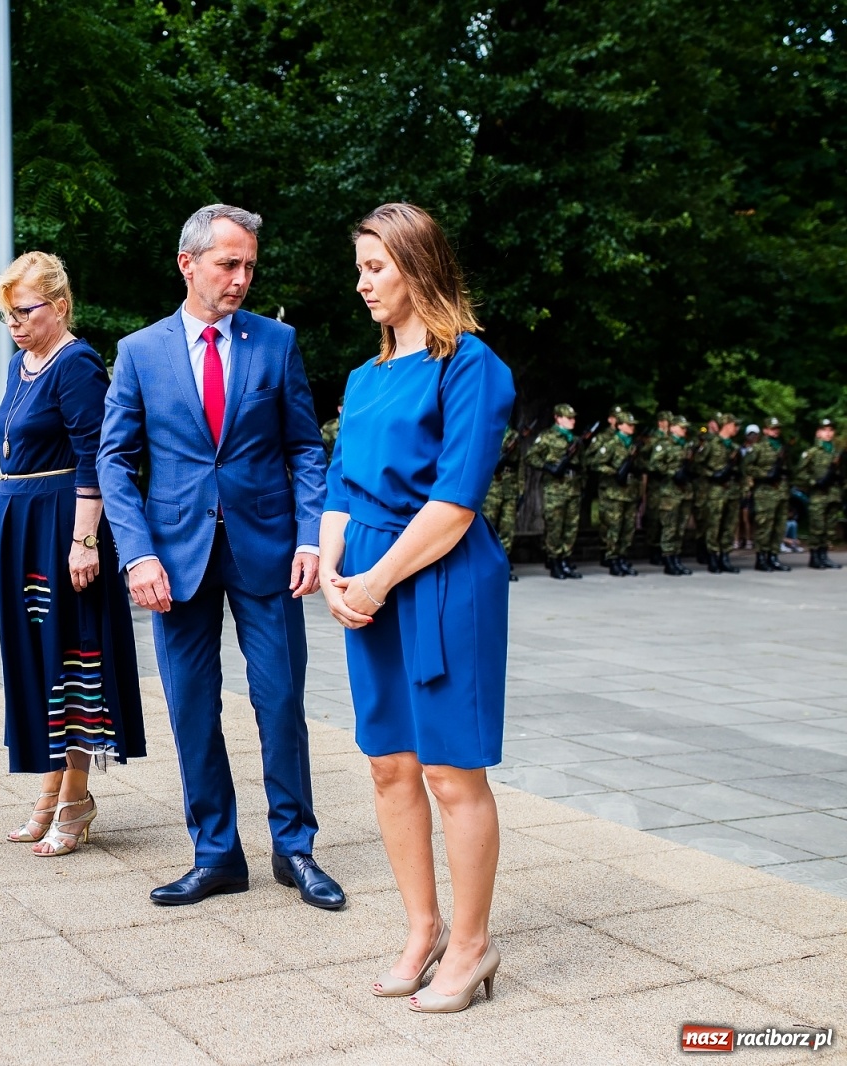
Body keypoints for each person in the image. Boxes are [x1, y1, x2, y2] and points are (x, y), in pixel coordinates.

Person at [99, 204, 343, 910]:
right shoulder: (140, 352)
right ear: (188, 263)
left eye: (249, 266)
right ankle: (216, 855)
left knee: (280, 702)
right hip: (173, 562)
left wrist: (309, 536)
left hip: (269, 551)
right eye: (228, 264)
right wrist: (136, 554)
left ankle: (295, 850)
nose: (241, 278)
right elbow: (115, 460)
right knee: (192, 709)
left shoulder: (277, 343)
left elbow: (304, 446)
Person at [323, 203, 514, 1014]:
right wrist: (333, 565)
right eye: (360, 268)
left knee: (448, 769)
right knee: (388, 762)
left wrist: (376, 580)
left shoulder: (469, 366)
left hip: (439, 574)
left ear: (418, 265)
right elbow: (340, 482)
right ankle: (422, 928)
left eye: (376, 266)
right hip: (366, 573)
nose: (363, 283)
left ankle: (471, 948)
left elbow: (455, 503)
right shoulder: (364, 378)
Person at [0, 251, 144, 857]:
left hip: (62, 524)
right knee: (39, 659)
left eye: (24, 311)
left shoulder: (78, 364)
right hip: (21, 524)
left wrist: (84, 542)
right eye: (8, 313)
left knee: (72, 657)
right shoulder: (19, 365)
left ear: (59, 305)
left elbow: (95, 457)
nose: (15, 323)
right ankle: (50, 793)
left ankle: (76, 798)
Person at [525, 405, 584, 579]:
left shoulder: (574, 439)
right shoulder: (547, 437)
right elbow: (531, 456)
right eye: (568, 417)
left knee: (570, 526)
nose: (572, 420)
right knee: (555, 526)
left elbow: (582, 465)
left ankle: (565, 559)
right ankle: (554, 560)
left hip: (573, 487)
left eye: (573, 417)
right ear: (558, 418)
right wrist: (548, 467)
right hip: (555, 489)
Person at [585, 411, 640, 576]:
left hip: (630, 491)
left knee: (628, 528)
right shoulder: (611, 443)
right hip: (614, 492)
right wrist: (614, 472)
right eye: (629, 424)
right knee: (614, 528)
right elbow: (595, 463)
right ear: (620, 425)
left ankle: (623, 557)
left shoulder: (633, 444)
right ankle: (612, 558)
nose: (632, 427)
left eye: (633, 425)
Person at [695, 412, 743, 574]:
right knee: (714, 525)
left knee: (729, 526)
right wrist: (712, 475)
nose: (737, 428)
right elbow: (697, 465)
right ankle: (713, 557)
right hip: (715, 491)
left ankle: (725, 556)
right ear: (727, 425)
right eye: (734, 425)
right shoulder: (711, 444)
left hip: (733, 491)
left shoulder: (735, 448)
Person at [647, 415, 695, 575]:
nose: (685, 430)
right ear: (672, 427)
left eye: (686, 427)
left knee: (680, 528)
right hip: (669, 492)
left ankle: (676, 557)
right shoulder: (664, 444)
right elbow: (654, 463)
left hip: (685, 491)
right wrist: (672, 472)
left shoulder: (686, 445)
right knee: (670, 527)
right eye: (682, 427)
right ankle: (668, 559)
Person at [794, 418, 841, 569]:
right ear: (818, 433)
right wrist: (814, 482)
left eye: (831, 430)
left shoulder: (836, 453)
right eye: (825, 430)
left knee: (830, 527)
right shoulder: (812, 453)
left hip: (834, 494)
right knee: (817, 526)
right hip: (818, 495)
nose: (828, 433)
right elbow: (800, 474)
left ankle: (824, 555)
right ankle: (814, 557)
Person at [745, 416, 790, 572]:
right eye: (772, 428)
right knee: (765, 526)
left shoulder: (781, 447)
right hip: (765, 492)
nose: (775, 431)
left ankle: (773, 556)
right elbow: (747, 467)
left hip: (781, 491)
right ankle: (761, 557)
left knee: (779, 526)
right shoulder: (758, 448)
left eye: (777, 428)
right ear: (765, 430)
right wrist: (765, 474)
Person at [481, 425, 521, 581]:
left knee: (507, 528)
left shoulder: (513, 435)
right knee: (489, 528)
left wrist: (520, 488)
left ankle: (503, 566)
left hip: (509, 487)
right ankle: (485, 566)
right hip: (491, 488)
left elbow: (520, 465)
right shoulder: (487, 428)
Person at [643, 410, 672, 564]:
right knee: (654, 517)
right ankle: (653, 548)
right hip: (656, 484)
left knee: (666, 518)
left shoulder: (673, 440)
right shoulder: (654, 439)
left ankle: (663, 548)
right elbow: (643, 457)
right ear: (661, 422)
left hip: (669, 484)